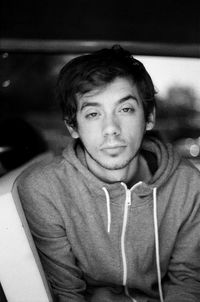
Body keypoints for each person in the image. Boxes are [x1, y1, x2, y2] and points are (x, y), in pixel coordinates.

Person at [18, 45, 200, 302]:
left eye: (125, 109)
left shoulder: (188, 184)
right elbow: (65, 293)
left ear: (148, 117)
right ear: (73, 127)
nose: (110, 129)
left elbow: (188, 283)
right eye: (93, 114)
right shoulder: (43, 190)